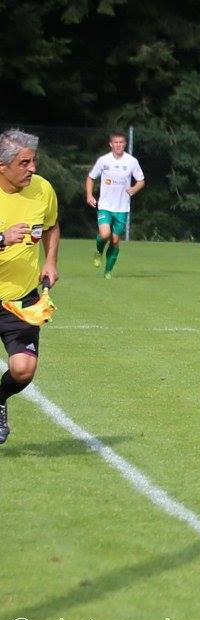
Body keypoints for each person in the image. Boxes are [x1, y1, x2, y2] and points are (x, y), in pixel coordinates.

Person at [0, 129, 61, 444]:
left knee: (23, 369)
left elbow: (51, 226)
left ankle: (0, 399)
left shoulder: (42, 190)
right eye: (24, 163)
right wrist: (2, 238)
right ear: (2, 165)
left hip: (21, 299)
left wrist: (50, 260)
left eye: (33, 161)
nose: (32, 168)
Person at [85, 132, 145, 278]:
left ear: (125, 144)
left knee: (115, 240)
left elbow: (141, 180)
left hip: (122, 208)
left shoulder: (131, 161)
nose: (118, 145)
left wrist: (134, 189)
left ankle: (108, 271)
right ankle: (99, 251)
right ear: (111, 144)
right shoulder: (103, 160)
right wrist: (89, 195)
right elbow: (91, 178)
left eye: (121, 142)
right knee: (105, 234)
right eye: (116, 142)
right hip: (105, 206)